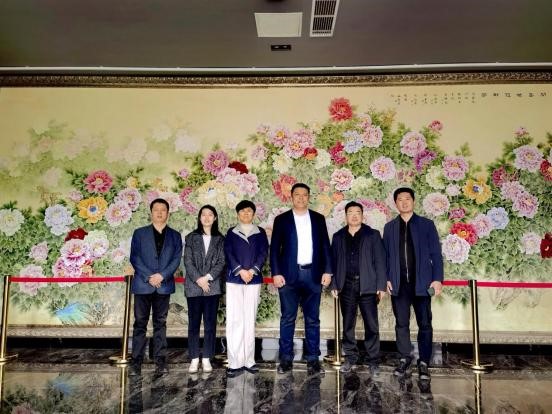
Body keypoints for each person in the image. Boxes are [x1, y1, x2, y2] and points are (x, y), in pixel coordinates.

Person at [270, 183, 332, 375]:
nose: (301, 198)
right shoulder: (282, 220)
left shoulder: (318, 219)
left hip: (313, 275)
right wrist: (276, 273)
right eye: (297, 194)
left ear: (309, 197)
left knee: (313, 319)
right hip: (288, 276)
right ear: (291, 197)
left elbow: (325, 246)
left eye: (305, 195)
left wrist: (328, 271)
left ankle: (313, 359)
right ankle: (286, 359)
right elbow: (274, 249)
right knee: (287, 318)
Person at [383, 187, 443, 381]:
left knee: (425, 323)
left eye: (407, 198)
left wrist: (437, 279)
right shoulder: (390, 227)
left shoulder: (426, 225)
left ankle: (424, 361)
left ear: (413, 201)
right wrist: (386, 278)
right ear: (396, 203)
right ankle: (404, 358)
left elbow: (436, 254)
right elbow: (385, 257)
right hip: (399, 284)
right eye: (400, 199)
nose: (404, 202)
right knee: (401, 324)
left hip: (422, 284)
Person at [330, 201, 386, 373]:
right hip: (346, 285)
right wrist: (334, 284)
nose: (354, 215)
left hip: (368, 285)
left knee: (371, 325)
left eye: (357, 212)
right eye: (350, 212)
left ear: (362, 215)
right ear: (346, 216)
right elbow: (333, 262)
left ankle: (373, 360)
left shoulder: (372, 235)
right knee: (348, 324)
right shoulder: (338, 236)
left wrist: (381, 285)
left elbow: (380, 261)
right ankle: (351, 357)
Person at [129, 198, 183, 377]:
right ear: (151, 212)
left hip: (164, 285)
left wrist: (162, 276)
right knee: (140, 323)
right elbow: (135, 257)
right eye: (156, 210)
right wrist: (149, 277)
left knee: (160, 323)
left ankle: (160, 361)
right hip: (143, 285)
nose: (159, 213)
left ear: (168, 213)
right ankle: (136, 362)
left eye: (163, 210)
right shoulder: (139, 233)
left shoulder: (175, 235)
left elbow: (176, 259)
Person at [224, 200, 269, 377]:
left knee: (249, 320)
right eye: (242, 211)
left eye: (249, 211)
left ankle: (249, 361)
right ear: (237, 214)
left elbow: (263, 253)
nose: (245, 214)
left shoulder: (260, 232)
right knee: (235, 320)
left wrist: (252, 271)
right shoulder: (231, 232)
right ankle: (234, 362)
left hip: (253, 279)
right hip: (234, 279)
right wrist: (240, 271)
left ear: (253, 214)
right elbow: (228, 253)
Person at [183, 205, 225, 373]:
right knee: (193, 324)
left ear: (215, 218)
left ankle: (207, 357)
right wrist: (199, 280)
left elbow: (221, 262)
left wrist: (207, 278)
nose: (207, 217)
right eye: (203, 215)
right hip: (194, 286)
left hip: (212, 287)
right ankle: (194, 358)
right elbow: (188, 262)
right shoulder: (191, 238)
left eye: (210, 214)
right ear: (199, 218)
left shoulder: (220, 239)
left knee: (210, 324)